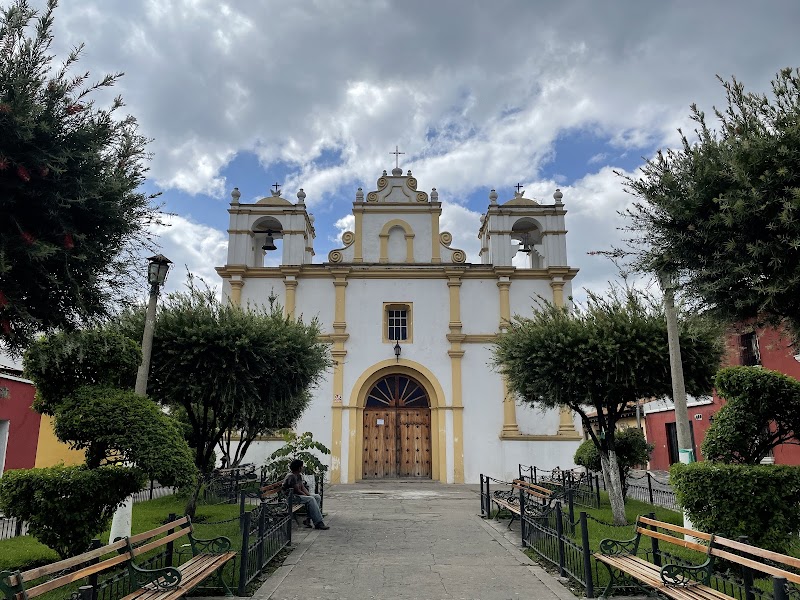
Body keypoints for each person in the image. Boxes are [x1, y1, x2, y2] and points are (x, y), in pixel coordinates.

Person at [282, 459, 329, 530]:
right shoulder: (291, 476)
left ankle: (308, 519)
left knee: (317, 497)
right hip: (292, 497)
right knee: (311, 499)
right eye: (302, 466)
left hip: (298, 496)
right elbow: (297, 490)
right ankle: (318, 523)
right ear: (298, 468)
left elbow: (302, 487)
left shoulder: (298, 475)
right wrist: (307, 496)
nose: (303, 468)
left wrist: (308, 495)